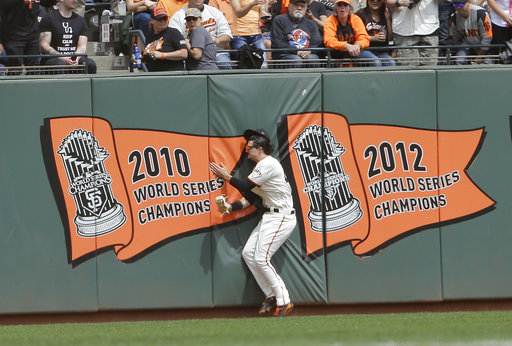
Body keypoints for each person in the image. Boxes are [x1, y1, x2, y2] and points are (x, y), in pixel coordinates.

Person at [209, 129, 296, 318]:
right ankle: (272, 295)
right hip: (271, 216)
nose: (246, 150)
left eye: (249, 147)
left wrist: (226, 176)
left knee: (261, 258)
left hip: (282, 216)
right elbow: (251, 198)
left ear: (260, 148)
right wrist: (230, 208)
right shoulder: (261, 168)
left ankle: (284, 300)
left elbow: (246, 186)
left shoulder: (268, 163)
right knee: (249, 254)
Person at [169, 0, 233, 69]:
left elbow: (227, 35)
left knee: (224, 63)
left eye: (194, 19)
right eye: (188, 19)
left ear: (201, 19)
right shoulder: (178, 16)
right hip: (189, 54)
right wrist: (187, 42)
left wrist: (215, 40)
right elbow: (174, 39)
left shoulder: (215, 12)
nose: (191, 21)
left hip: (216, 52)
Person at [39, 0, 97, 73]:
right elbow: (44, 45)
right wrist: (62, 57)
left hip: (73, 58)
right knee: (60, 64)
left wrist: (76, 58)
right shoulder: (48, 18)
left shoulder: (81, 21)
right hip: (53, 59)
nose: (75, 0)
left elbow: (82, 46)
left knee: (90, 64)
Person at [386, 0, 440, 66]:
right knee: (409, 72)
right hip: (403, 30)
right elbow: (385, 2)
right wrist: (399, 2)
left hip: (429, 29)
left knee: (430, 71)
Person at [271, 0, 323, 67]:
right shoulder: (279, 20)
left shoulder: (311, 23)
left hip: (307, 54)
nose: (299, 8)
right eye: (296, 5)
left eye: (302, 6)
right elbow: (278, 42)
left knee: (313, 58)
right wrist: (296, 51)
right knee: (296, 59)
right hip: (285, 54)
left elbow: (317, 42)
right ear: (289, 7)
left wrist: (309, 51)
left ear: (306, 8)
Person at [323, 0, 373, 66]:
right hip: (337, 53)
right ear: (335, 8)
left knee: (375, 61)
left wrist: (358, 45)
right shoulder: (330, 20)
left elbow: (364, 38)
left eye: (345, 5)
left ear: (350, 8)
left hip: (356, 52)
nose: (342, 7)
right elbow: (328, 40)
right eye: (339, 5)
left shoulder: (355, 19)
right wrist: (346, 46)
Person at [0, 0, 45, 70]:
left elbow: (47, 3)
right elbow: (5, 5)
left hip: (33, 34)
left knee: (34, 69)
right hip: (13, 36)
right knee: (15, 69)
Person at [450, 0, 492, 64]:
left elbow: (488, 38)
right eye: (455, 5)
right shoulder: (454, 17)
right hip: (467, 45)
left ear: (469, 2)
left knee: (488, 62)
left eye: (461, 4)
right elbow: (456, 39)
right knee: (459, 59)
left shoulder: (480, 13)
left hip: (485, 48)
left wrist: (479, 58)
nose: (458, 7)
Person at [355, 0, 395, 66]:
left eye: (379, 0)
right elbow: (355, 36)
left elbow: (390, 36)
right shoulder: (360, 15)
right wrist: (372, 38)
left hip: (381, 50)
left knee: (391, 62)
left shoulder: (386, 13)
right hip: (365, 49)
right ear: (367, 1)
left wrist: (388, 19)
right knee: (376, 61)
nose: (375, 1)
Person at [229, 0, 267, 65]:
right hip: (239, 35)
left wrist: (265, 17)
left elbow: (259, 15)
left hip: (256, 33)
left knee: (263, 63)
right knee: (245, 62)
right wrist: (252, 4)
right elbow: (238, 13)